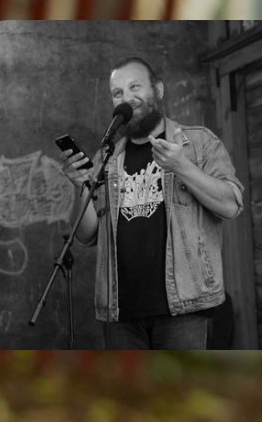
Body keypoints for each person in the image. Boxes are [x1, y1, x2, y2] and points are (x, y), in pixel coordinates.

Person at [61, 56, 244, 349]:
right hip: (120, 311)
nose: (126, 98)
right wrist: (80, 186)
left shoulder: (199, 143)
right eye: (118, 93)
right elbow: (86, 235)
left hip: (183, 308)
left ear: (157, 90)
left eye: (135, 87)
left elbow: (231, 205)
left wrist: (182, 166)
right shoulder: (107, 158)